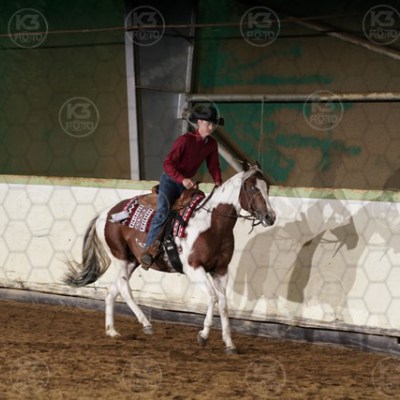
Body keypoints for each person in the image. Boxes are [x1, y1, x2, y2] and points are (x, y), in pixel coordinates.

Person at [140, 105, 224, 268]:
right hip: (170, 181)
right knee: (163, 211)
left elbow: (213, 165)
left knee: (197, 211)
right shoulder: (185, 140)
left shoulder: (211, 144)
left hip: (186, 184)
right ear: (199, 122)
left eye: (213, 124)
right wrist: (182, 179)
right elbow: (167, 164)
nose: (211, 127)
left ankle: (185, 247)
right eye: (208, 123)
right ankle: (148, 251)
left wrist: (218, 182)